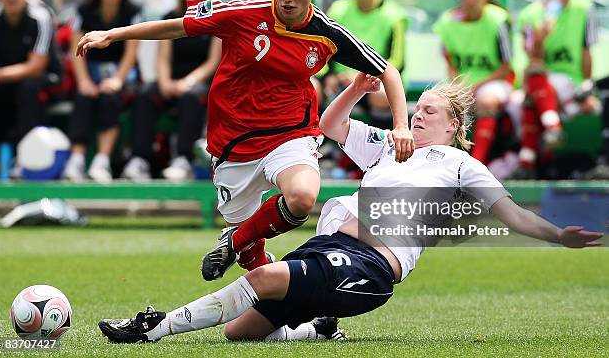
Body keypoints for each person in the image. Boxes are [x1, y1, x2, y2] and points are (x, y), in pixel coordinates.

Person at [96, 73, 604, 344]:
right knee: (238, 334)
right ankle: (317, 324)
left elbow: (512, 215)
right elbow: (330, 127)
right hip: (331, 246)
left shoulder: (456, 163)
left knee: (268, 281)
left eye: (429, 111)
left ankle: (153, 326)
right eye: (417, 107)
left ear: (452, 127)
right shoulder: (390, 146)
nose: (418, 114)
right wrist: (358, 90)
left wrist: (559, 236)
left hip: (371, 267)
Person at [76, 0, 414, 280]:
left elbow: (388, 71)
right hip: (233, 143)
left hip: (290, 134)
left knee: (302, 196)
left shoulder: (326, 33)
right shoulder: (243, 13)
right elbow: (177, 26)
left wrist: (401, 125)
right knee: (254, 264)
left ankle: (234, 241)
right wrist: (112, 34)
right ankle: (269, 295)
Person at [122, 0, 221, 181]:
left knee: (192, 95)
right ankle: (140, 160)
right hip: (171, 81)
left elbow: (213, 62)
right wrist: (165, 82)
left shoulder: (217, 18)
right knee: (145, 93)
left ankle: (183, 159)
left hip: (199, 83)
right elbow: (163, 57)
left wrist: (189, 81)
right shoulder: (171, 15)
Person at [513, 0, 600, 178]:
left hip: (569, 80)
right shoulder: (531, 14)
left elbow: (586, 50)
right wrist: (541, 37)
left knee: (533, 98)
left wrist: (588, 85)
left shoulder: (584, 8)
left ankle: (528, 160)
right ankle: (550, 134)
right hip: (542, 80)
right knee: (535, 77)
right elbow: (532, 57)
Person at [62, 0, 142, 183]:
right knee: (84, 98)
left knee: (110, 98)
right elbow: (74, 49)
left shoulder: (133, 12)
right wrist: (84, 81)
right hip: (90, 74)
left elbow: (132, 52)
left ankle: (102, 160)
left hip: (122, 76)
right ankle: (76, 160)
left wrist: (117, 80)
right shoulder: (83, 11)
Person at [433, 0, 514, 168]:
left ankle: (477, 163)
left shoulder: (498, 20)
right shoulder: (447, 22)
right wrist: (459, 86)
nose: (470, 0)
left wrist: (476, 86)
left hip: (495, 82)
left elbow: (506, 68)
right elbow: (450, 61)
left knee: (487, 100)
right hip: (463, 84)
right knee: (437, 105)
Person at [321, 0, 407, 129]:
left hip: (375, 83)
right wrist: (329, 76)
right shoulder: (337, 10)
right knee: (312, 89)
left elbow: (397, 61)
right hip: (340, 83)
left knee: (382, 96)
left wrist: (361, 77)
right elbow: (323, 49)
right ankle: (326, 149)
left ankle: (380, 148)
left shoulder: (395, 16)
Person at [0, 0, 60, 157]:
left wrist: (0, 74)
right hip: (6, 80)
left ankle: (25, 158)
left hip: (46, 79)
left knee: (28, 88)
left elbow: (36, 67)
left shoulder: (40, 16)